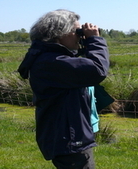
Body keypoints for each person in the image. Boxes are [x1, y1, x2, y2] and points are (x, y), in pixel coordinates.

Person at [18, 9, 109, 168]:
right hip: (69, 139)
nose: (79, 35)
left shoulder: (49, 58)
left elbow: (78, 64)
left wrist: (86, 42)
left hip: (65, 136)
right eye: (76, 31)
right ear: (60, 34)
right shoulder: (53, 62)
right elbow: (97, 70)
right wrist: (94, 39)